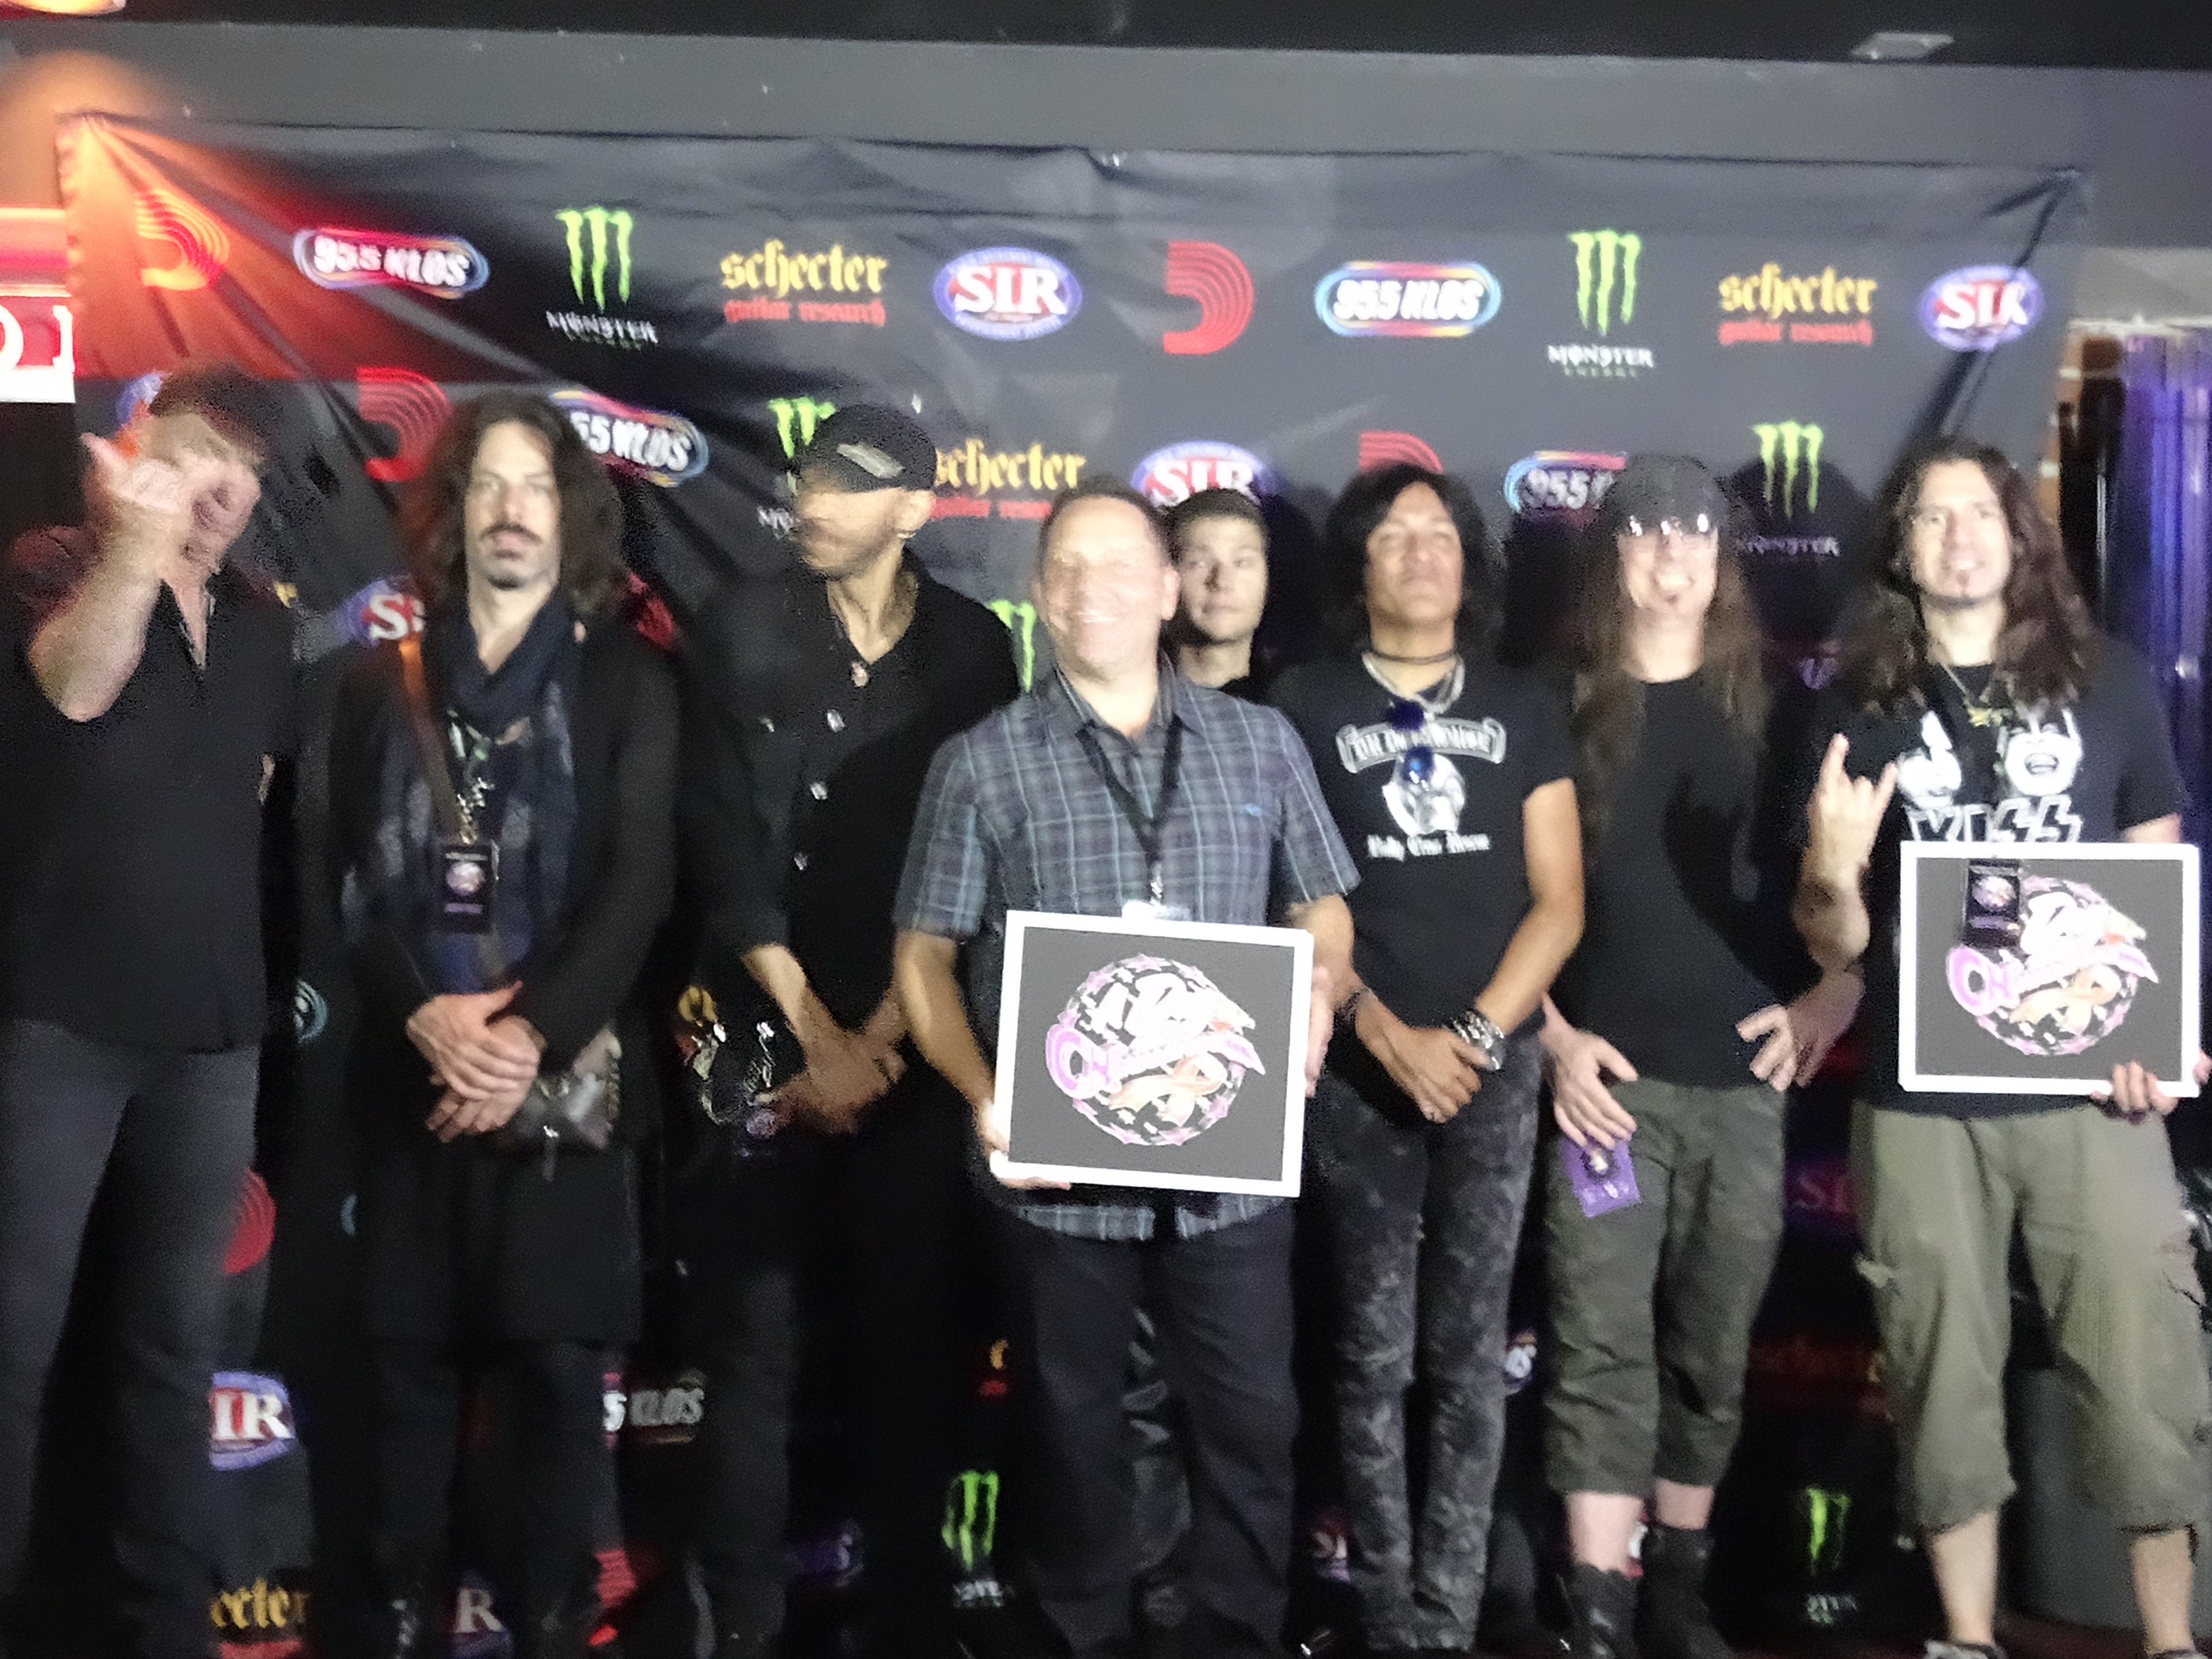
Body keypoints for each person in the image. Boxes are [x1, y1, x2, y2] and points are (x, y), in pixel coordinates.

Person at [892, 478, 1358, 1659]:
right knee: (1072, 1438)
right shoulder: (980, 765)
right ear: (1040, 596)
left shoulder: (1261, 744)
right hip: (1055, 1182)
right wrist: (984, 1093)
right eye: (1066, 569)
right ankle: (1083, 1637)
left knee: (1252, 1427)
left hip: (1231, 1178)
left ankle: (1236, 1639)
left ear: (1165, 590)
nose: (1089, 589)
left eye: (1116, 567)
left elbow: (1323, 907)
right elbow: (923, 960)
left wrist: (1314, 997)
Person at [1791, 435, 2210, 1659]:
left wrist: (2156, 1031)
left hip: (2092, 1091)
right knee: (1939, 1366)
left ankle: (2171, 1641)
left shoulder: (2109, 681)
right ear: (1902, 551)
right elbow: (1831, 944)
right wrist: (1832, 871)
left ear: (2020, 536)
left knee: (2142, 1362)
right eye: (1931, 517)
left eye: (1979, 512)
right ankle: (1967, 1636)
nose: (1959, 535)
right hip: (1922, 1100)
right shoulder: (1856, 707)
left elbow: (2154, 876)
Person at [326, 391, 675, 1658]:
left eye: (535, 486)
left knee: (556, 1399)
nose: (512, 510)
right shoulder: (378, 683)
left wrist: (525, 1036)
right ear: (455, 514)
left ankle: (552, 1629)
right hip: (415, 1095)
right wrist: (429, 1017)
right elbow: (346, 880)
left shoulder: (629, 680)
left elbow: (641, 884)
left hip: (567, 1103)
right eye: (488, 485)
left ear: (571, 516)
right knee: (403, 1402)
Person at [680, 403, 1021, 1659]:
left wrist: (879, 1035)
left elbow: (977, 856)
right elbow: (720, 843)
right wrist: (815, 1034)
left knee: (912, 1353)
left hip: (910, 1048)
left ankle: (911, 1624)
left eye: (846, 485)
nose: (812, 503)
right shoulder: (736, 625)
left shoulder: (976, 648)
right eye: (808, 480)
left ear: (914, 509)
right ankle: (742, 1629)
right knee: (748, 1358)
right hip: (753, 1036)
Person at [1535, 457, 1862, 1659]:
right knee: (1595, 1344)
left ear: (1723, 560)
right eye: (1645, 535)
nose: (1671, 559)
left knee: (1712, 1347)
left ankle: (1675, 1590)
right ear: (1611, 554)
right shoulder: (1550, 705)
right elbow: (1490, 903)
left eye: (1693, 537)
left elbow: (1849, 907)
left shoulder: (1783, 716)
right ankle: (1599, 1609)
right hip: (1603, 1099)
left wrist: (1838, 994)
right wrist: (1552, 1042)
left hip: (1741, 1096)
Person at [1269, 462, 1583, 1658]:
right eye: (1395, 535)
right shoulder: (1302, 702)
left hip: (1491, 1074)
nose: (1420, 552)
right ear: (1358, 564)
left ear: (1470, 562)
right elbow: (1294, 897)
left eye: (1441, 534)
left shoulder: (1523, 702)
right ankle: (1384, 1612)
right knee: (1367, 1355)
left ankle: (1449, 1618)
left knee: (1467, 1357)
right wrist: (1385, 1036)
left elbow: (1559, 902)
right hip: (1357, 1074)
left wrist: (1478, 1039)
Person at [0, 364, 289, 1658]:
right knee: (14, 1346)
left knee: (175, 1353)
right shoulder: (53, 564)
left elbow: (250, 794)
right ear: (134, 446)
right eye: (197, 452)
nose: (222, 486)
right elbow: (72, 690)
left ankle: (163, 1628)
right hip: (58, 1026)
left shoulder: (265, 623)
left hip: (211, 1039)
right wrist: (135, 549)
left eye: (248, 468)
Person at [1167, 486, 1271, 698]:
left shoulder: (1298, 706)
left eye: (1242, 563)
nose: (1221, 581)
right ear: (1168, 578)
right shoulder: (1129, 704)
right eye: (1199, 563)